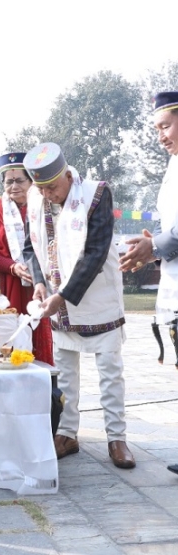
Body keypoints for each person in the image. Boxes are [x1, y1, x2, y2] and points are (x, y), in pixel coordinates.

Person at [22, 142, 135, 469]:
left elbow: (96, 252)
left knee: (110, 373)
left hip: (97, 298)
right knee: (65, 372)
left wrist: (62, 296)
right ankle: (67, 433)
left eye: (52, 187)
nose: (47, 195)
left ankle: (117, 438)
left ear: (68, 176)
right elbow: (31, 245)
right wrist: (40, 281)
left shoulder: (96, 194)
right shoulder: (37, 199)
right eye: (41, 188)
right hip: (59, 302)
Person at [119, 90, 178, 476]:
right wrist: (150, 246)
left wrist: (154, 244)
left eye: (166, 125)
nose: (161, 136)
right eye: (157, 129)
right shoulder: (173, 167)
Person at [0, 152, 54, 365]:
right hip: (6, 284)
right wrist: (12, 267)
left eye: (19, 180)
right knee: (7, 336)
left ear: (31, 181)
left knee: (36, 329)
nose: (14, 186)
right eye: (8, 181)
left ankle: (41, 382)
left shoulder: (42, 207)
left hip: (37, 282)